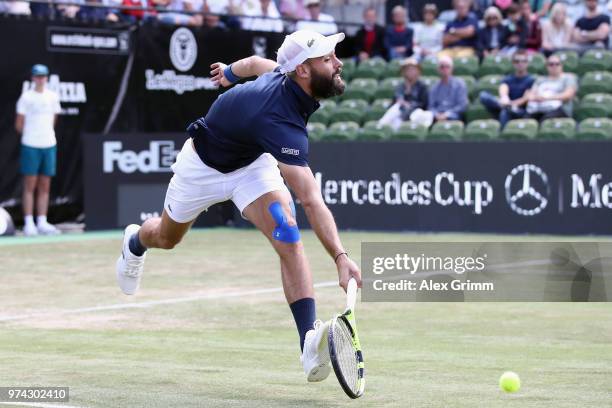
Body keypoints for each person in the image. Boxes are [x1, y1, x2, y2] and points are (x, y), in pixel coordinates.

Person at [114, 30, 362, 382]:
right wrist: (340, 257)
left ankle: (308, 344)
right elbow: (311, 198)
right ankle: (135, 242)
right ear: (303, 71)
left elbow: (254, 64)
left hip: (251, 165)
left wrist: (230, 71)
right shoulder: (280, 123)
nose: (337, 63)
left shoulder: (281, 72)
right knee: (167, 238)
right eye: (327, 59)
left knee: (288, 236)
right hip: (201, 167)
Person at [14, 64, 62, 236]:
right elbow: (19, 124)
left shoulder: (53, 97)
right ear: (32, 78)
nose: (40, 79)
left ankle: (42, 221)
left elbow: (53, 120)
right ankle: (28, 222)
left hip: (49, 144)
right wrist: (32, 136)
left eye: (43, 76)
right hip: (31, 145)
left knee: (45, 185)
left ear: (47, 78)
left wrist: (44, 135)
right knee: (29, 185)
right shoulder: (26, 97)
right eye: (37, 76)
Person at [479, 50, 535, 126]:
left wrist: (509, 104)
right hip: (504, 105)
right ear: (513, 63)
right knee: (483, 95)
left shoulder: (531, 80)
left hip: (520, 110)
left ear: (527, 63)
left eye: (523, 61)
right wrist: (504, 100)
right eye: (517, 61)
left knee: (505, 112)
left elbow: (525, 99)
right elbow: (503, 92)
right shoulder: (508, 79)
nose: (520, 63)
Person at [377, 58, 429, 130]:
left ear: (417, 71)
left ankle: (381, 125)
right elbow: (394, 101)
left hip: (415, 112)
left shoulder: (422, 86)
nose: (410, 71)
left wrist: (410, 104)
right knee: (396, 112)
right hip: (400, 113)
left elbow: (424, 104)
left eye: (412, 69)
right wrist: (402, 102)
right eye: (407, 69)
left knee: (397, 111)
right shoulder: (401, 86)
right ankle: (381, 126)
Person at [526, 54, 577, 121]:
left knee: (545, 119)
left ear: (561, 65)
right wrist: (536, 97)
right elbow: (531, 94)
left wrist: (547, 98)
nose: (554, 66)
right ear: (546, 66)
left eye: (557, 64)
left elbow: (568, 95)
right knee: (527, 119)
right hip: (539, 108)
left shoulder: (568, 78)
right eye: (551, 64)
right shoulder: (540, 79)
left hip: (560, 109)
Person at [427, 56, 468, 121]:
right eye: (442, 67)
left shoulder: (460, 84)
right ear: (438, 70)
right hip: (437, 116)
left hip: (454, 115)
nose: (445, 69)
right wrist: (436, 114)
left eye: (447, 66)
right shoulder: (434, 87)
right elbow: (431, 107)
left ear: (452, 69)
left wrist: (447, 114)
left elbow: (462, 105)